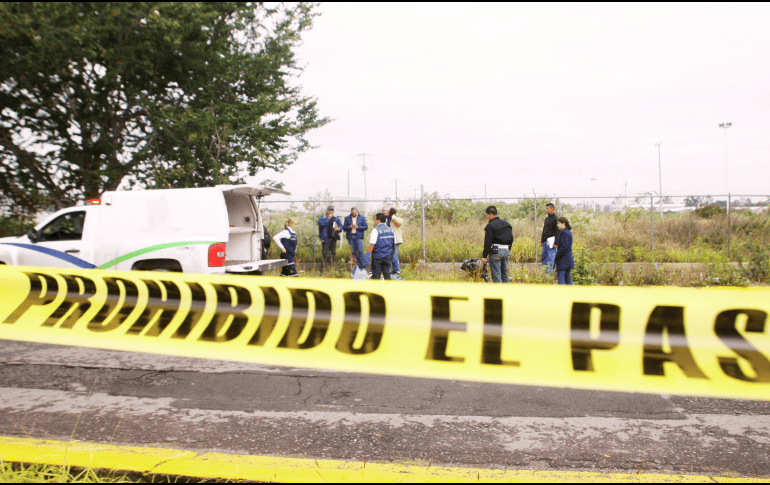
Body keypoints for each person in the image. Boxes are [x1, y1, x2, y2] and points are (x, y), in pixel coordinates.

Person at [482, 206, 513, 283]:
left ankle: (499, 294)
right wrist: (508, 250)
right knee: (505, 274)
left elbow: (487, 242)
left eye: (487, 215)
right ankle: (508, 293)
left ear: (491, 215)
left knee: (496, 275)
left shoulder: (490, 226)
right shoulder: (507, 224)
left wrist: (484, 256)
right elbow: (511, 239)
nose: (488, 217)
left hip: (496, 252)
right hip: (506, 251)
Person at [367, 212, 395, 280]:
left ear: (378, 220)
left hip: (377, 258)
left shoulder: (375, 230)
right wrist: (391, 255)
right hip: (388, 257)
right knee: (387, 276)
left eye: (375, 219)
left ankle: (376, 290)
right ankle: (389, 290)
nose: (374, 221)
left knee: (376, 277)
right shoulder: (391, 230)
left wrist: (366, 257)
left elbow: (372, 245)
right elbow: (394, 244)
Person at [317, 205, 342, 270]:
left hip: (333, 237)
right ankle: (323, 269)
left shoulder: (336, 218)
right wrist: (328, 218)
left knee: (333, 254)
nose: (330, 211)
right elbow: (320, 223)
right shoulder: (323, 216)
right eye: (329, 210)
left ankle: (332, 269)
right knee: (325, 254)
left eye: (332, 210)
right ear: (327, 210)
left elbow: (341, 227)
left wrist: (338, 229)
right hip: (325, 238)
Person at [554, 216, 574, 285]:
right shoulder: (568, 232)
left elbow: (564, 247)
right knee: (567, 279)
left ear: (563, 223)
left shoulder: (564, 233)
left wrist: (557, 256)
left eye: (558, 223)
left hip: (563, 261)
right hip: (567, 260)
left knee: (561, 278)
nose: (557, 225)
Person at [540, 203, 558, 273]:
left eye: (548, 208)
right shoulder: (546, 219)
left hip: (551, 242)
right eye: (546, 208)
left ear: (552, 209)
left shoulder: (556, 218)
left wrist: (556, 243)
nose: (546, 210)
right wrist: (541, 241)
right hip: (545, 242)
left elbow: (557, 231)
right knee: (544, 257)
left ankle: (549, 274)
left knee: (550, 258)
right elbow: (544, 230)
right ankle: (545, 273)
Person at [386, 207, 403, 277]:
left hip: (396, 240)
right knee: (391, 255)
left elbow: (400, 222)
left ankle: (397, 270)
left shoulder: (396, 218)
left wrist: (393, 216)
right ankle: (393, 270)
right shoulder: (389, 220)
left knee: (394, 255)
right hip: (391, 240)